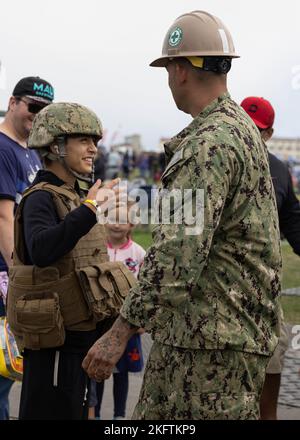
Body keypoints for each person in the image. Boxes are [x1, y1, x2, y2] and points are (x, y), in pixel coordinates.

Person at [83, 10, 282, 420]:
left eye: (168, 69)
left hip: (204, 349)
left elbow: (176, 255)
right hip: (232, 339)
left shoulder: (205, 146)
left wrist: (119, 333)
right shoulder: (241, 130)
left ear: (179, 70)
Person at [6, 102, 135, 420]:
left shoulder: (73, 194)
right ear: (55, 145)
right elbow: (42, 250)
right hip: (54, 347)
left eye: (95, 141)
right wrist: (90, 209)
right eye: (83, 140)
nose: (93, 149)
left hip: (78, 341)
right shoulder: (40, 196)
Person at [241, 96, 300, 419]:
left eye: (258, 130)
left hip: (264, 294)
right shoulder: (219, 162)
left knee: (273, 359)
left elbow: (293, 221)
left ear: (270, 133)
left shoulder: (279, 169)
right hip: (220, 297)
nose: (251, 134)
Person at [0, 76, 54, 420]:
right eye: (33, 106)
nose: (38, 114)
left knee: (10, 375)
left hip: (16, 272)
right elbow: (4, 217)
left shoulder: (30, 150)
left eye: (45, 109)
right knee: (2, 374)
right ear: (13, 103)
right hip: (5, 274)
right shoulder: (3, 148)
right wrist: (18, 275)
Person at [89, 204, 145, 420]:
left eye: (122, 220)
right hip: (101, 322)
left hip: (127, 323)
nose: (116, 224)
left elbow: (145, 287)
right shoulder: (98, 249)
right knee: (98, 370)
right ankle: (96, 413)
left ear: (131, 224)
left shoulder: (138, 253)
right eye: (112, 218)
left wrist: (141, 322)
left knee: (121, 374)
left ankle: (119, 416)